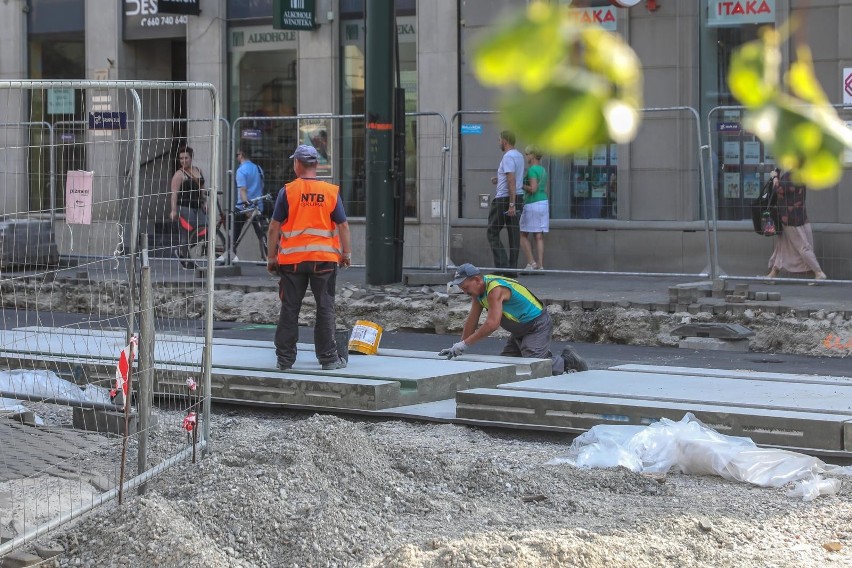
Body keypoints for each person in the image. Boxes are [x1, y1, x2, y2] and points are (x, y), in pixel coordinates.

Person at [266, 144, 352, 371]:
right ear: (316, 164)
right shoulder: (330, 191)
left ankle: (284, 360)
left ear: (297, 164)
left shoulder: (288, 191)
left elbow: (274, 228)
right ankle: (329, 359)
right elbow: (343, 225)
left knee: (290, 308)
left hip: (292, 262)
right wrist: (346, 253)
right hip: (323, 260)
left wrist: (271, 257)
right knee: (325, 307)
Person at [439, 263, 588, 376]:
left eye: (465, 287)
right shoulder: (478, 293)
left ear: (477, 280)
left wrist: (465, 344)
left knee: (534, 366)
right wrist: (457, 347)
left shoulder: (495, 289)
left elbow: (492, 324)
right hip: (519, 330)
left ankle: (567, 360)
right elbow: (472, 319)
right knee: (506, 367)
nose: (464, 292)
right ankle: (543, 355)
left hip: (536, 325)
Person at [765, 168, 827, 284]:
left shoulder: (791, 175)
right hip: (797, 215)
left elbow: (779, 189)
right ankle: (773, 274)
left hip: (791, 218)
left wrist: (774, 176)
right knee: (782, 245)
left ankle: (818, 273)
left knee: (802, 246)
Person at [219, 147, 265, 263]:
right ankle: (265, 257)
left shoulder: (241, 170)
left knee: (235, 235)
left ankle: (229, 256)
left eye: (237, 155)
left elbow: (243, 190)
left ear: (241, 155)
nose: (236, 157)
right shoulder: (258, 169)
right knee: (261, 234)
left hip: (243, 207)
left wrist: (246, 206)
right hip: (258, 206)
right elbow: (262, 187)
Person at [488, 131, 524, 273]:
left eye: (499, 140)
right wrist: (498, 178)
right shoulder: (519, 156)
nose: (498, 143)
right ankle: (512, 270)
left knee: (492, 231)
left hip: (504, 199)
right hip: (518, 196)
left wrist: (511, 204)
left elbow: (511, 179)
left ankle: (503, 266)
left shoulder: (508, 157)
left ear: (505, 141)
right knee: (514, 233)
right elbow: (512, 177)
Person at [169, 146, 207, 269]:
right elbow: (174, 193)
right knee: (187, 233)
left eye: (186, 158)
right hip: (185, 207)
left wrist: (204, 202)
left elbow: (202, 187)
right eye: (181, 158)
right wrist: (174, 210)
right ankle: (185, 258)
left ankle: (181, 251)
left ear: (191, 158)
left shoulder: (198, 170)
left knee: (204, 230)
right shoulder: (179, 174)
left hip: (198, 206)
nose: (183, 161)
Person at [519, 145, 549, 271]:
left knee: (523, 234)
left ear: (532, 155)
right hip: (543, 202)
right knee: (538, 235)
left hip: (532, 203)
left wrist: (521, 184)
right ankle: (540, 265)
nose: (526, 157)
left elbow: (533, 188)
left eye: (527, 154)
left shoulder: (532, 170)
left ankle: (531, 263)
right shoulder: (543, 170)